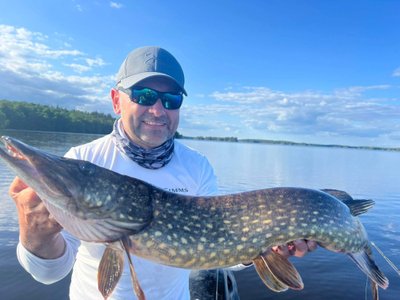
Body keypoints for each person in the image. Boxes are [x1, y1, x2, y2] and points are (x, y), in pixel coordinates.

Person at [9, 46, 317, 299]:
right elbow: (48, 274)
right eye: (143, 96)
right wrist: (34, 236)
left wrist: (262, 246)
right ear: (117, 100)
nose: (157, 110)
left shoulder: (196, 166)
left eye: (170, 100)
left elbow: (220, 249)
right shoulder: (84, 159)